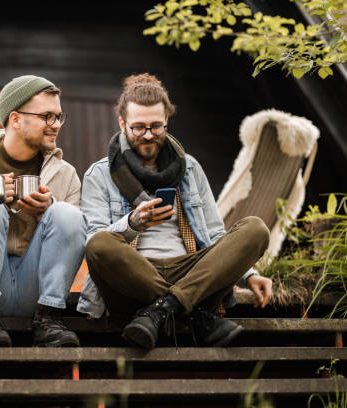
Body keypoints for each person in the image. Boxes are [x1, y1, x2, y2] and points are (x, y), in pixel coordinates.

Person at [77, 73, 273, 349]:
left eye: (156, 127)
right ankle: (193, 315)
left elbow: (216, 232)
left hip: (192, 272)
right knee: (99, 243)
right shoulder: (99, 174)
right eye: (138, 127)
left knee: (255, 229)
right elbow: (94, 240)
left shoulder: (189, 167)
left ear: (167, 122)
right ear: (122, 123)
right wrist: (133, 222)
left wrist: (249, 274)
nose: (148, 135)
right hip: (132, 277)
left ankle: (163, 309)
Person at [0, 75, 87, 347]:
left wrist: (47, 210)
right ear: (15, 119)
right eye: (47, 117)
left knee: (67, 214)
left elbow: (75, 238)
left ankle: (50, 319)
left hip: (38, 289)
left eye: (58, 117)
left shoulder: (66, 174)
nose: (55, 126)